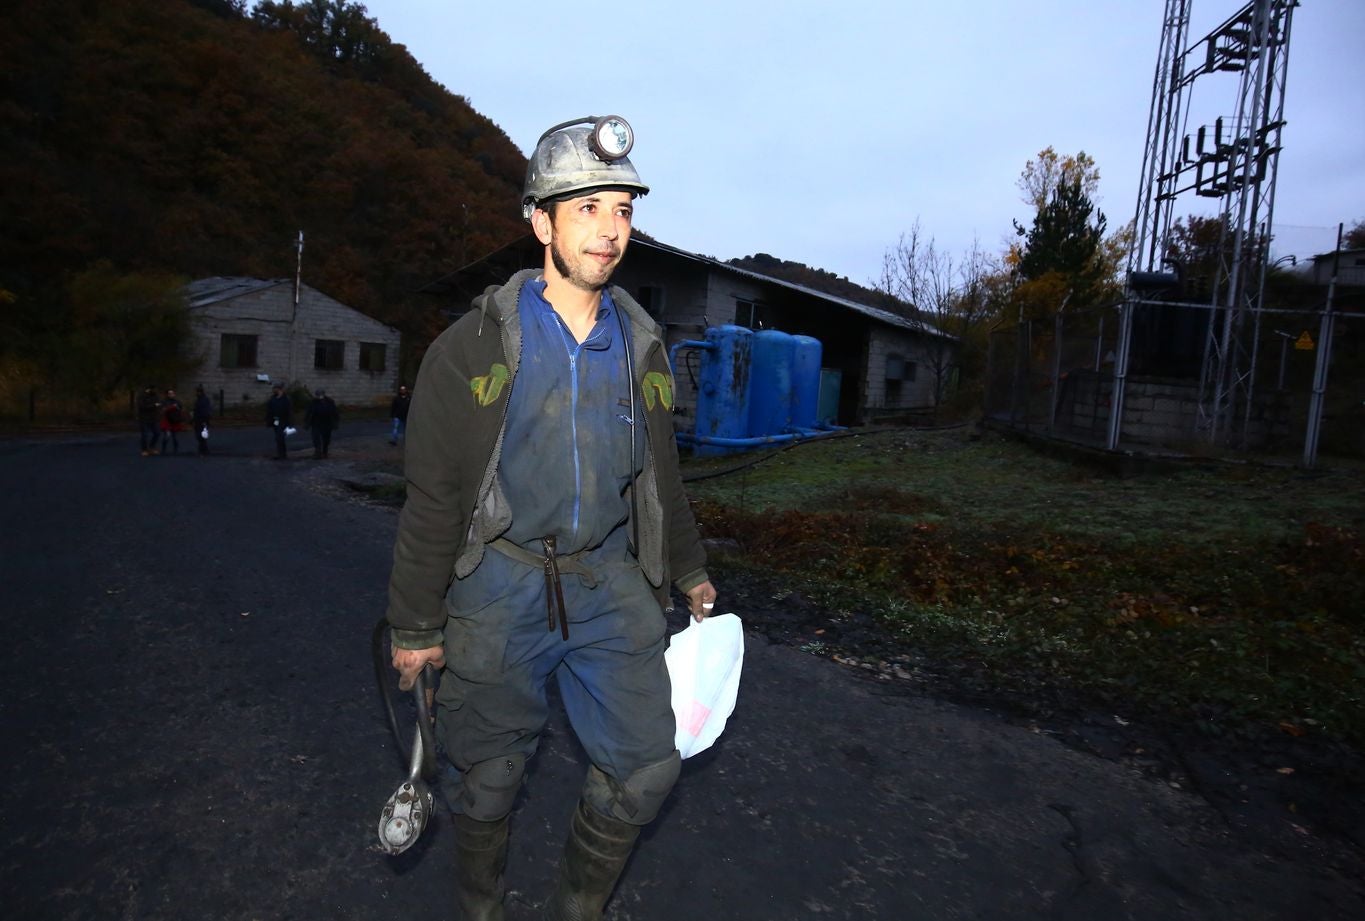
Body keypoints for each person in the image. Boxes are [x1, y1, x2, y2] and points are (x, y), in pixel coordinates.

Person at [384, 115, 717, 921]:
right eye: (587, 208)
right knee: (486, 780)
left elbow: (660, 472)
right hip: (500, 580)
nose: (610, 231)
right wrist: (414, 623)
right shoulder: (469, 350)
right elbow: (431, 495)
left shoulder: (642, 347)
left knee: (646, 769)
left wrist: (689, 566)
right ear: (541, 222)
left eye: (622, 210)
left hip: (608, 578)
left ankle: (577, 908)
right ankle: (482, 910)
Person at [305, 387, 339, 459]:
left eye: (320, 394)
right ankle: (318, 452)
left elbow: (334, 412)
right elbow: (309, 412)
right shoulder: (313, 402)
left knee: (326, 439)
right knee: (316, 438)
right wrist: (307, 422)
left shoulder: (329, 402)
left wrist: (335, 422)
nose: (319, 396)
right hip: (316, 423)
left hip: (327, 423)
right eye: (317, 395)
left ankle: (325, 451)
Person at [266, 383, 292, 460]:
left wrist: (290, 422)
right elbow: (269, 410)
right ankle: (281, 454)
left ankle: (282, 454)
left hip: (283, 420)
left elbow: (289, 411)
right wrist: (269, 420)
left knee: (280, 437)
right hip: (276, 420)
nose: (273, 390)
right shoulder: (273, 398)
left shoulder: (286, 399)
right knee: (278, 436)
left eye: (275, 388)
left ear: (279, 389)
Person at [158, 388, 183, 455]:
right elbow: (163, 410)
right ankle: (164, 450)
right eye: (170, 393)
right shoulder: (164, 401)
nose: (171, 395)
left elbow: (180, 409)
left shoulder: (177, 401)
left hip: (175, 421)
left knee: (175, 437)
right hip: (168, 421)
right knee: (167, 436)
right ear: (167, 394)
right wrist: (172, 407)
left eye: (172, 393)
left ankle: (175, 450)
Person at [137, 385, 160, 456]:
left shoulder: (155, 396)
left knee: (157, 433)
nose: (155, 391)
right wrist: (154, 405)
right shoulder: (142, 397)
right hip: (144, 418)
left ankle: (152, 447)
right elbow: (142, 407)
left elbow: (159, 404)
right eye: (153, 389)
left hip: (154, 418)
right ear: (149, 389)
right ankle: (144, 450)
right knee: (145, 435)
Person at [192, 385, 212, 456]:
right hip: (200, 420)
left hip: (202, 421)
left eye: (198, 392)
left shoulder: (202, 400)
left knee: (201, 436)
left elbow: (205, 411)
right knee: (201, 436)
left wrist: (205, 420)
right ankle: (204, 450)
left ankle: (203, 451)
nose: (197, 393)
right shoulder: (201, 400)